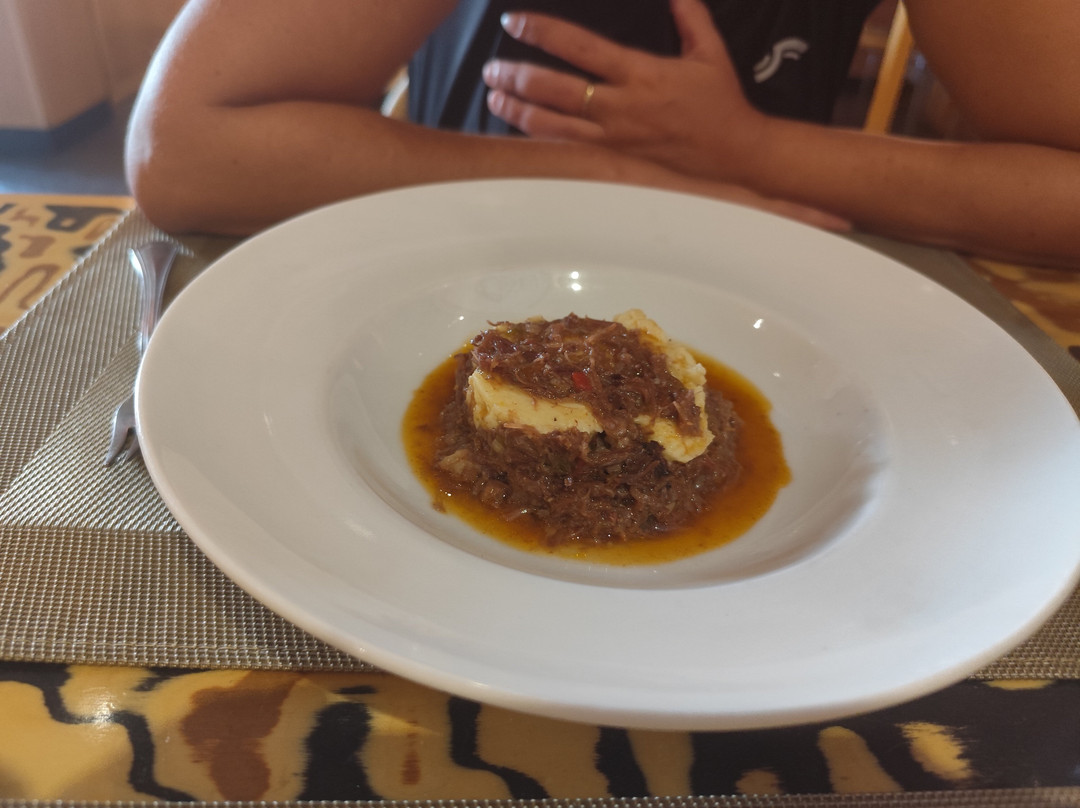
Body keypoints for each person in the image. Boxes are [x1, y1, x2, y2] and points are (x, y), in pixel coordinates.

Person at [125, 0, 1080, 268]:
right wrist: (612, 174)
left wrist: (753, 150)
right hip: (455, 266)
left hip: (760, 280)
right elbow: (184, 152)